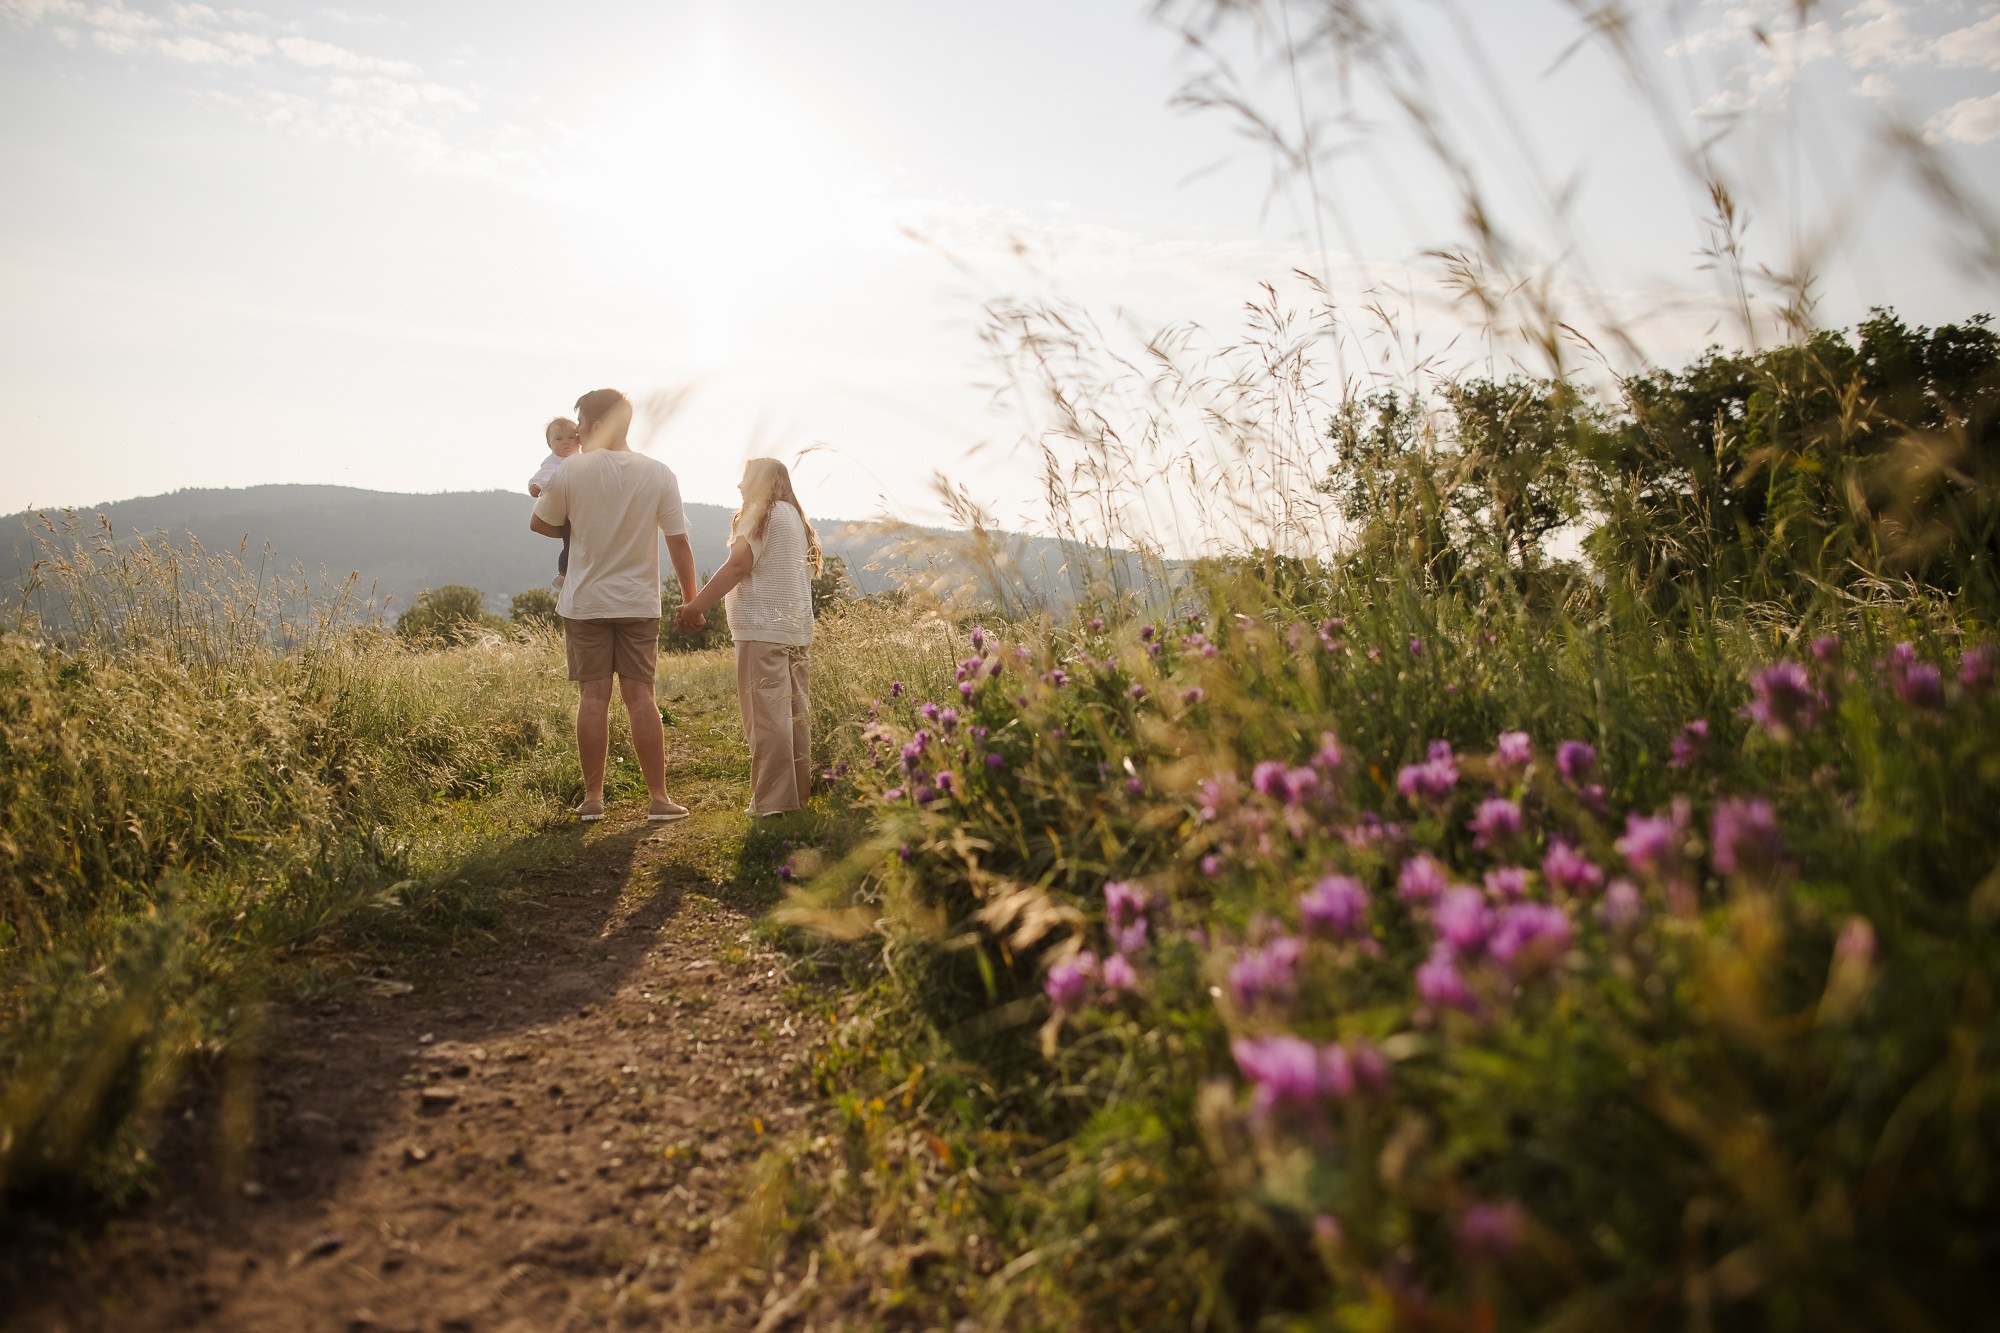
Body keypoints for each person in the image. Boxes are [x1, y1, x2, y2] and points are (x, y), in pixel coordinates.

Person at [530, 388, 698, 823]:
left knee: (593, 696)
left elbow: (540, 522)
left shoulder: (571, 471)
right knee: (641, 696)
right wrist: (691, 600)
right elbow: (678, 541)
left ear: (595, 425)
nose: (578, 431)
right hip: (639, 600)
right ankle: (659, 799)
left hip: (585, 600)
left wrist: (582, 527)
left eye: (581, 422)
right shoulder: (658, 473)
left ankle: (593, 800)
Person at [678, 458, 818, 816]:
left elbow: (739, 565)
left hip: (762, 628)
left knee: (767, 717)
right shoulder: (795, 518)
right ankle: (796, 798)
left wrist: (696, 606)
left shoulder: (761, 511)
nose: (740, 486)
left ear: (761, 483)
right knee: (794, 716)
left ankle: (772, 803)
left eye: (745, 479)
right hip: (797, 630)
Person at [528, 416, 581, 588]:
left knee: (574, 543)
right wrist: (535, 487)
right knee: (570, 542)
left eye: (571, 437)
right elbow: (543, 476)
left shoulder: (583, 458)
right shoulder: (554, 462)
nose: (566, 442)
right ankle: (563, 573)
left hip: (580, 507)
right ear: (550, 444)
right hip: (566, 511)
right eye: (559, 439)